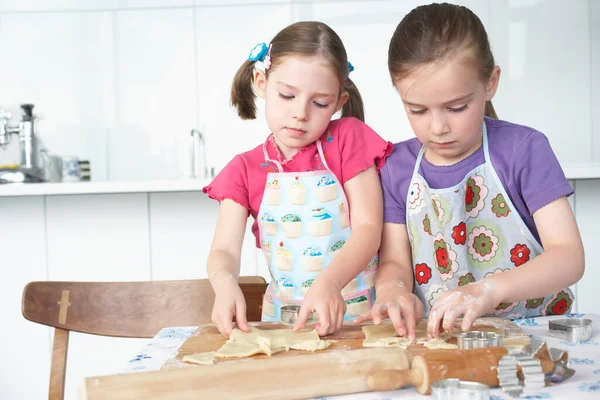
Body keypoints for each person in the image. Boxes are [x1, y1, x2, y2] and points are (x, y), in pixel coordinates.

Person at [355, 2, 584, 341]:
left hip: (536, 335)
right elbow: (395, 263)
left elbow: (568, 256)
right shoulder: (397, 167)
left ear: (490, 83)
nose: (438, 127)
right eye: (417, 110)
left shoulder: (524, 150)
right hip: (442, 340)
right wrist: (392, 289)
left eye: (457, 107)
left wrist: (489, 290)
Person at [203, 21, 393, 338]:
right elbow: (224, 250)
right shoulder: (244, 169)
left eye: (319, 103)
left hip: (360, 321)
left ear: (338, 103)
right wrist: (224, 284)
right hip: (285, 324)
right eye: (288, 95)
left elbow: (369, 229)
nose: (301, 113)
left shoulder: (349, 141)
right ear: (261, 82)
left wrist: (330, 282)